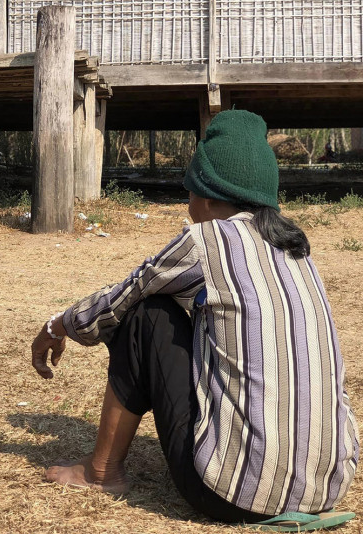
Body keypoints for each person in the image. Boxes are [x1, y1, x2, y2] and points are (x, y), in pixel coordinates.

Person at [31, 110, 359, 524]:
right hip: (325, 490)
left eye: (189, 195)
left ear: (205, 197)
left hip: (232, 496)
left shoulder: (208, 238)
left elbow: (123, 297)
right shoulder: (297, 251)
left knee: (145, 313)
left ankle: (101, 472)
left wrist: (56, 325)